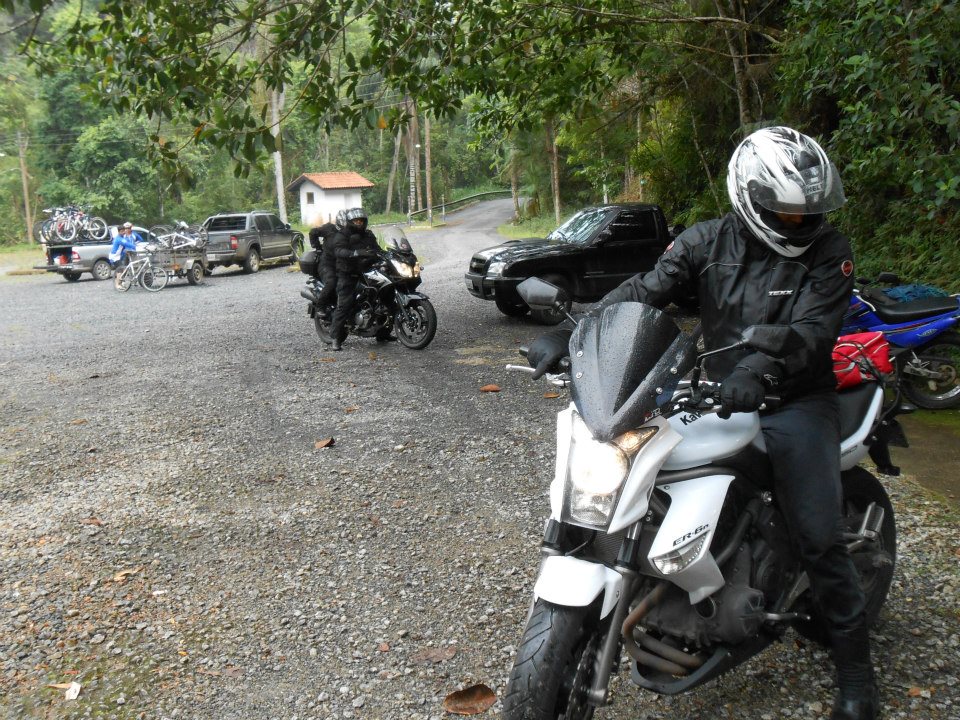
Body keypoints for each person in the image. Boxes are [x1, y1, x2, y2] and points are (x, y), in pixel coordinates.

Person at [527, 127, 876, 720]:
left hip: (795, 398)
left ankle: (856, 675)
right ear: (749, 198)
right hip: (711, 390)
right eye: (787, 212)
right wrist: (576, 332)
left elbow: (814, 331)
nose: (801, 223)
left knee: (818, 534)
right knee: (632, 472)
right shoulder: (705, 241)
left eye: (808, 212)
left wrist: (760, 369)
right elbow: (644, 291)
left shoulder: (828, 251)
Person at [327, 207, 380, 351]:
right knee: (345, 304)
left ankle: (383, 333)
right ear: (350, 222)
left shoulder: (368, 235)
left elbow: (377, 249)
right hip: (347, 273)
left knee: (381, 297)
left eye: (361, 221)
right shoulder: (342, 235)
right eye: (356, 221)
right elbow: (338, 250)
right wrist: (355, 253)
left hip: (366, 271)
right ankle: (336, 338)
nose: (359, 223)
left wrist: (386, 255)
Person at [314, 210, 348, 321]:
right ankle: (320, 306)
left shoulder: (351, 233)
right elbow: (313, 232)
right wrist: (318, 248)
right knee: (332, 282)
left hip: (343, 264)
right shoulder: (329, 228)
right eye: (343, 223)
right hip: (327, 264)